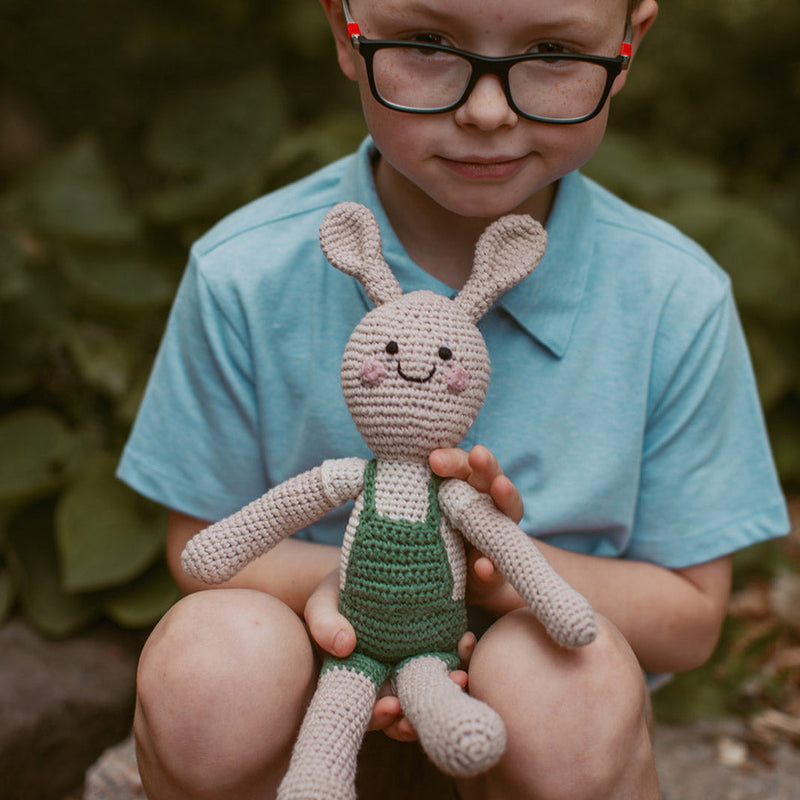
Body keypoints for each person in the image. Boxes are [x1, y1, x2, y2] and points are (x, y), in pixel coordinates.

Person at [118, 0, 790, 798]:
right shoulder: (245, 271)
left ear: (628, 42)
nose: (486, 110)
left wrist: (486, 570)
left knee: (564, 690)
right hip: (311, 694)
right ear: (345, 30)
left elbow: (688, 619)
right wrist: (362, 582)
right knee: (208, 669)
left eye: (550, 49)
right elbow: (201, 546)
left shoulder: (674, 297)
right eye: (429, 44)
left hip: (538, 734)